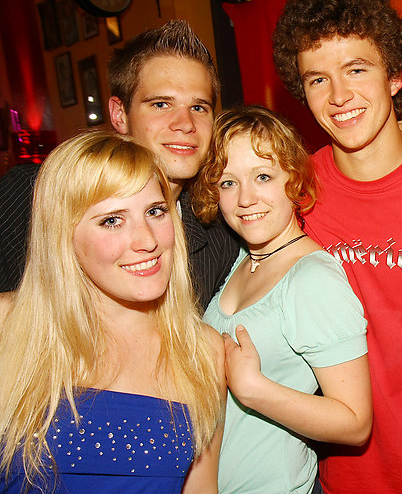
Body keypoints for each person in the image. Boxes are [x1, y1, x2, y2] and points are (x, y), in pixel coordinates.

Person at [272, 0, 402, 494]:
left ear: (395, 76)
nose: (338, 96)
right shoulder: (291, 192)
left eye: (356, 69)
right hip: (342, 485)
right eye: (318, 79)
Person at [0, 131, 225, 494]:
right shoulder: (8, 326)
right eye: (112, 220)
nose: (147, 240)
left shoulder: (201, 350)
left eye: (155, 211)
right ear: (62, 234)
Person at [193, 105, 372, 494]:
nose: (245, 199)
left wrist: (254, 389)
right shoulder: (244, 257)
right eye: (228, 182)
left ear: (293, 179)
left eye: (263, 177)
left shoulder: (312, 279)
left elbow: (355, 422)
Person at [0, 20, 238, 308]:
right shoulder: (31, 195)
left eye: (198, 107)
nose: (185, 124)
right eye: (161, 104)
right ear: (119, 114)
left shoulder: (220, 236)